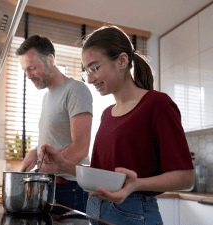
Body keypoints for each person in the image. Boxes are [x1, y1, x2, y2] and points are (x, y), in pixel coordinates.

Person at [40, 25, 195, 225]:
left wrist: (136, 184)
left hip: (134, 215)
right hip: (96, 211)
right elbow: (99, 175)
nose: (89, 78)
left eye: (94, 68)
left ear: (122, 61)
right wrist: (63, 165)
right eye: (86, 71)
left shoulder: (158, 104)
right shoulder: (107, 114)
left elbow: (187, 177)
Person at [16, 35, 93, 213]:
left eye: (32, 68)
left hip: (70, 189)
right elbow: (57, 139)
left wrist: (44, 170)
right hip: (51, 186)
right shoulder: (47, 96)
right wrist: (35, 152)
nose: (28, 75)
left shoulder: (76, 90)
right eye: (25, 70)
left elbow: (81, 148)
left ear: (50, 59)